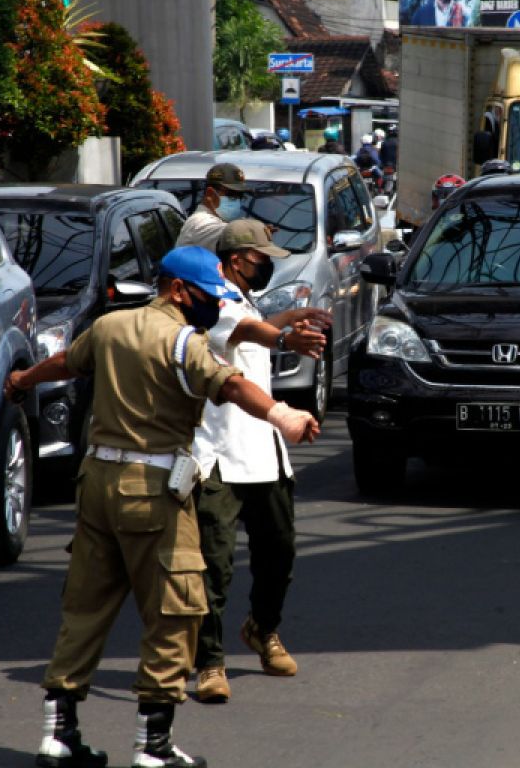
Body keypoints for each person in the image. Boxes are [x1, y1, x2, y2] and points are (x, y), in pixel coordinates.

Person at [9, 246, 320, 768]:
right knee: (177, 610)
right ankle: (153, 747)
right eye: (207, 296)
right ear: (178, 290)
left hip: (97, 485)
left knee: (84, 610)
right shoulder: (183, 342)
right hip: (152, 491)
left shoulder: (111, 326)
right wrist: (282, 414)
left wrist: (22, 381)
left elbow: (68, 361)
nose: (212, 307)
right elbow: (234, 384)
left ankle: (57, 735)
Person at [191, 220, 334, 704]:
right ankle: (209, 663)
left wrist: (294, 316)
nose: (266, 264)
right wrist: (287, 340)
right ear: (236, 260)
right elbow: (246, 329)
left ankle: (262, 628)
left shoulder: (242, 296)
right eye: (260, 257)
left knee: (280, 553)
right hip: (218, 455)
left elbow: (256, 324)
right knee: (214, 565)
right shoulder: (212, 300)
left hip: (263, 449)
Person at [176, 163, 249, 251]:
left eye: (240, 196)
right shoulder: (200, 222)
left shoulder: (217, 221)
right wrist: (259, 231)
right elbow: (231, 235)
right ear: (210, 194)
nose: (236, 200)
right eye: (231, 194)